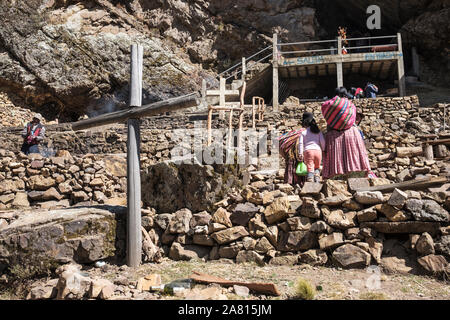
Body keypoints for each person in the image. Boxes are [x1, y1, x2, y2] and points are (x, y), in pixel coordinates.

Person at [321, 92, 372, 180]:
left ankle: (338, 175)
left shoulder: (330, 133)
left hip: (334, 137)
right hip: (350, 136)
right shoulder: (355, 131)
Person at [298, 112, 325, 182]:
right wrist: (324, 149)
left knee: (310, 167)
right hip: (318, 151)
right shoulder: (318, 131)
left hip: (308, 151)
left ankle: (310, 181)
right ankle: (317, 182)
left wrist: (300, 153)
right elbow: (322, 142)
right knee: (317, 167)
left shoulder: (303, 132)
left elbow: (300, 143)